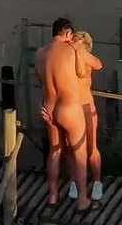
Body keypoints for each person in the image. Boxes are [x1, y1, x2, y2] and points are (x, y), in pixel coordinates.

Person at [35, 18, 92, 211]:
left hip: (49, 108)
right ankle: (83, 200)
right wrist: (78, 49)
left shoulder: (40, 53)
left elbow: (41, 80)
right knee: (80, 154)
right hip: (70, 108)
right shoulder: (72, 50)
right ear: (67, 32)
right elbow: (85, 71)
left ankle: (52, 196)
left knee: (55, 151)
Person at [72, 31, 105, 201]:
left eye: (78, 42)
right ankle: (74, 182)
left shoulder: (87, 58)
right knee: (73, 147)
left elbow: (99, 64)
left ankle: (97, 182)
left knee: (92, 147)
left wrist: (80, 51)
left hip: (85, 105)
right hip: (71, 107)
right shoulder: (67, 59)